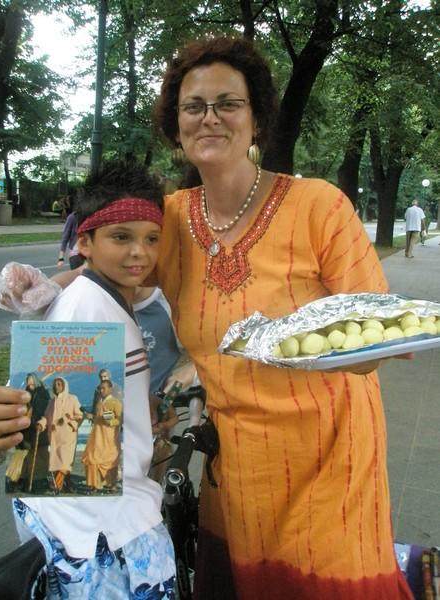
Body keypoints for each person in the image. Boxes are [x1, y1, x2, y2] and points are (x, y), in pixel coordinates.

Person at [152, 36, 414, 599]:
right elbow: (105, 289)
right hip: (238, 464)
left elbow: (375, 327)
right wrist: (41, 294)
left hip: (331, 456)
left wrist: (368, 350)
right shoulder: (167, 220)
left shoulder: (319, 206)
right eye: (193, 106)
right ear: (176, 126)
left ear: (257, 119)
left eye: (228, 103)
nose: (209, 117)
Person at [0, 161, 176, 598]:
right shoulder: (87, 310)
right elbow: (61, 457)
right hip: (101, 539)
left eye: (151, 238)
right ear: (85, 242)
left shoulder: (105, 297)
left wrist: (142, 412)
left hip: (95, 526)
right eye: (121, 237)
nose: (140, 253)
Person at [133, 285, 197, 482]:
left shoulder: (168, 305)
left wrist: (186, 376)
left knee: (151, 485)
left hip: (157, 421)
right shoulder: (87, 302)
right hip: (108, 426)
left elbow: (209, 355)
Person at [6, 373, 50, 493]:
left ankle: (30, 482)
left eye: (31, 382)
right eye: (28, 382)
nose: (30, 384)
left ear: (35, 381)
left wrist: (36, 422)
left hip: (37, 429)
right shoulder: (26, 394)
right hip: (26, 429)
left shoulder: (43, 394)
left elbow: (44, 411)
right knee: (23, 455)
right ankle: (18, 480)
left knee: (35, 458)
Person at [38, 376, 82, 493]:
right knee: (57, 462)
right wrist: (40, 424)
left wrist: (69, 422)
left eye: (59, 384)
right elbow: (46, 417)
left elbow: (79, 416)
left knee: (65, 462)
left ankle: (57, 486)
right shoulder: (51, 402)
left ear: (64, 385)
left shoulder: (72, 399)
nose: (56, 386)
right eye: (55, 384)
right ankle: (67, 484)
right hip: (54, 438)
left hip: (68, 437)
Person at [82, 379, 122, 491]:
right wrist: (92, 417)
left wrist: (110, 421)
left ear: (110, 389)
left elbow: (120, 420)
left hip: (109, 438)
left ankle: (111, 484)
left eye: (104, 388)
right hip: (97, 435)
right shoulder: (99, 402)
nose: (101, 390)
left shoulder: (115, 402)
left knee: (110, 460)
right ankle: (93, 484)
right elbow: (98, 418)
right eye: (100, 388)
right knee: (92, 457)